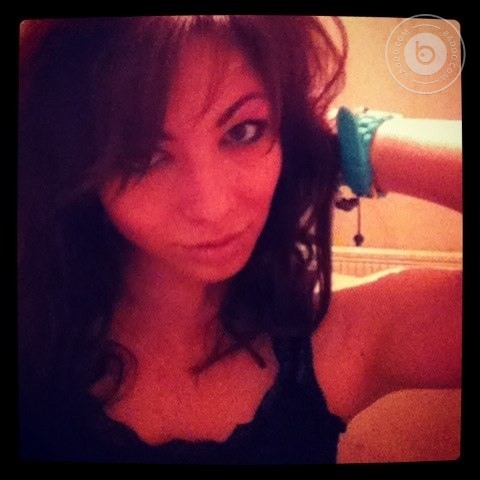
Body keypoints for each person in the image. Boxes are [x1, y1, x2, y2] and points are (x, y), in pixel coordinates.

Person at [18, 16, 462, 464]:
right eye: (142, 156)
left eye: (244, 131)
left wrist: (353, 140)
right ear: (75, 167)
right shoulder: (32, 336)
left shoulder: (337, 332)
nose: (212, 208)